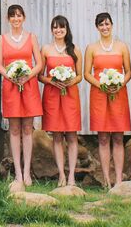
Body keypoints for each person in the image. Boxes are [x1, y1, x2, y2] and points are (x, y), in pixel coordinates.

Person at [84, 12, 131, 188]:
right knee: (103, 137)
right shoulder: (92, 48)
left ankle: (119, 179)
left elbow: (128, 71)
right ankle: (106, 180)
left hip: (118, 94)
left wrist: (119, 84)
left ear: (112, 25)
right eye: (101, 25)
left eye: (107, 24)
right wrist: (101, 85)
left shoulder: (122, 47)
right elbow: (86, 73)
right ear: (97, 27)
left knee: (118, 137)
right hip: (99, 94)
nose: (104, 27)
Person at [0, 4, 43, 187]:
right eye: (12, 16)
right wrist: (10, 76)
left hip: (29, 84)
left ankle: (27, 172)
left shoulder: (31, 37)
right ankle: (17, 172)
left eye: (19, 16)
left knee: (27, 129)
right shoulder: (2, 39)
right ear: (8, 19)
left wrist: (27, 76)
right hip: (11, 85)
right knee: (14, 129)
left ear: (23, 18)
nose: (16, 19)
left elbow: (38, 63)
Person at [38, 15, 82, 187]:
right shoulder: (46, 49)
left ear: (66, 29)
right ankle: (61, 175)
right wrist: (52, 81)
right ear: (52, 30)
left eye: (61, 27)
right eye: (55, 27)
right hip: (52, 95)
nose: (58, 30)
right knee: (56, 135)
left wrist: (70, 81)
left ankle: (71, 175)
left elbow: (79, 75)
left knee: (71, 135)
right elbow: (40, 75)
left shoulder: (75, 49)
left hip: (70, 95)